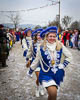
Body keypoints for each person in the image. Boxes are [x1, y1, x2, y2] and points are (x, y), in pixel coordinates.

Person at [27, 26, 72, 100]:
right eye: (50, 36)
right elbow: (36, 60)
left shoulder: (60, 45)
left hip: (57, 74)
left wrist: (63, 65)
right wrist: (30, 71)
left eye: (54, 36)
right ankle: (38, 88)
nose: (52, 38)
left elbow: (69, 56)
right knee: (53, 92)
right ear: (46, 37)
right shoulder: (41, 47)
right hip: (45, 74)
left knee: (52, 96)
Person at [26, 28, 45, 97]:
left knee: (42, 77)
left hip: (43, 63)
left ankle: (41, 87)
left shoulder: (45, 43)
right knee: (38, 77)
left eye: (40, 35)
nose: (39, 36)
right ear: (36, 36)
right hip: (35, 62)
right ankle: (37, 88)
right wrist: (28, 58)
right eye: (38, 35)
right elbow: (29, 51)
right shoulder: (33, 43)